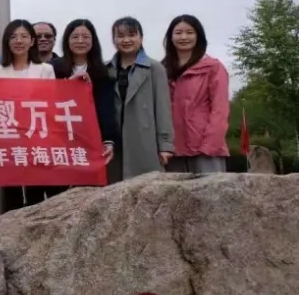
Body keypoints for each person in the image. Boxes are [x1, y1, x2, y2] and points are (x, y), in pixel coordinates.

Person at [29, 19, 118, 205]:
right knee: (57, 196)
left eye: (86, 37)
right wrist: (68, 85)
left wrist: (108, 139)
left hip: (89, 140)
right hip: (59, 140)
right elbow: (41, 100)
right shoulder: (53, 68)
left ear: (93, 41)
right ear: (66, 40)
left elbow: (106, 108)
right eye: (75, 36)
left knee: (88, 197)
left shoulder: (103, 71)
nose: (80, 41)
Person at [0, 20, 55, 211]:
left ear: (32, 41)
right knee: (12, 193)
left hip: (38, 138)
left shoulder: (45, 69)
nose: (18, 41)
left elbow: (52, 103)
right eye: (13, 37)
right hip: (9, 139)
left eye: (24, 36)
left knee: (37, 193)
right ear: (7, 41)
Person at [108, 17, 174, 184]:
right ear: (114, 40)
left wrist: (165, 145)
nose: (126, 40)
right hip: (114, 143)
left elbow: (163, 109)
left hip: (145, 140)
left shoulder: (155, 68)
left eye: (132, 35)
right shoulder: (106, 69)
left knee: (146, 189)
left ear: (141, 37)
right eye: (120, 36)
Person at [162, 14, 229, 173]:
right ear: (170, 37)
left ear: (198, 36)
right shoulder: (161, 70)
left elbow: (220, 109)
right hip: (172, 151)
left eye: (189, 32)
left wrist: (209, 146)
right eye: (178, 33)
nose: (183, 37)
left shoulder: (213, 68)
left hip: (205, 150)